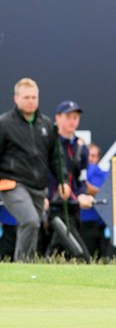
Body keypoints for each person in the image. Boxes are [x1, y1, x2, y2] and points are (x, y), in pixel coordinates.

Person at [0, 78, 71, 261]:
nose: (31, 101)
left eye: (34, 97)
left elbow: (56, 157)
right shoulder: (5, 124)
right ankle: (22, 267)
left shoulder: (46, 124)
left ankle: (28, 267)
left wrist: (62, 180)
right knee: (30, 220)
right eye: (26, 97)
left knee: (34, 225)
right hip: (12, 184)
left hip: (39, 186)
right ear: (16, 98)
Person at [44, 100, 95, 258]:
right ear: (58, 118)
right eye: (68, 117)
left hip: (73, 208)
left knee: (55, 249)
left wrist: (81, 195)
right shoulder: (48, 143)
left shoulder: (81, 147)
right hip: (52, 206)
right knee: (79, 253)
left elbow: (81, 179)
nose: (72, 121)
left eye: (75, 117)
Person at [79, 143, 112, 260]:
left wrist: (92, 190)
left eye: (93, 156)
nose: (90, 158)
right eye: (88, 155)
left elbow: (108, 193)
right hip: (84, 223)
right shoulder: (78, 172)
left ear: (98, 157)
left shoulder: (103, 174)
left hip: (101, 223)